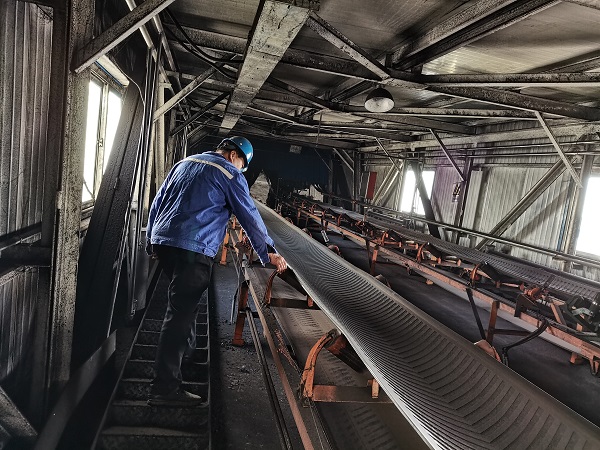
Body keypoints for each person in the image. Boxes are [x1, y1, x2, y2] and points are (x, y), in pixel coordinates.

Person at [145, 136, 287, 407]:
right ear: (234, 155)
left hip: (165, 243)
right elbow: (248, 215)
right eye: (242, 164)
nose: (240, 168)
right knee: (179, 315)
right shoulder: (230, 174)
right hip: (193, 247)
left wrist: (151, 239)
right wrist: (267, 250)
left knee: (184, 306)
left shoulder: (184, 163)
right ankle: (164, 389)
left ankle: (187, 357)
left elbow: (158, 201)